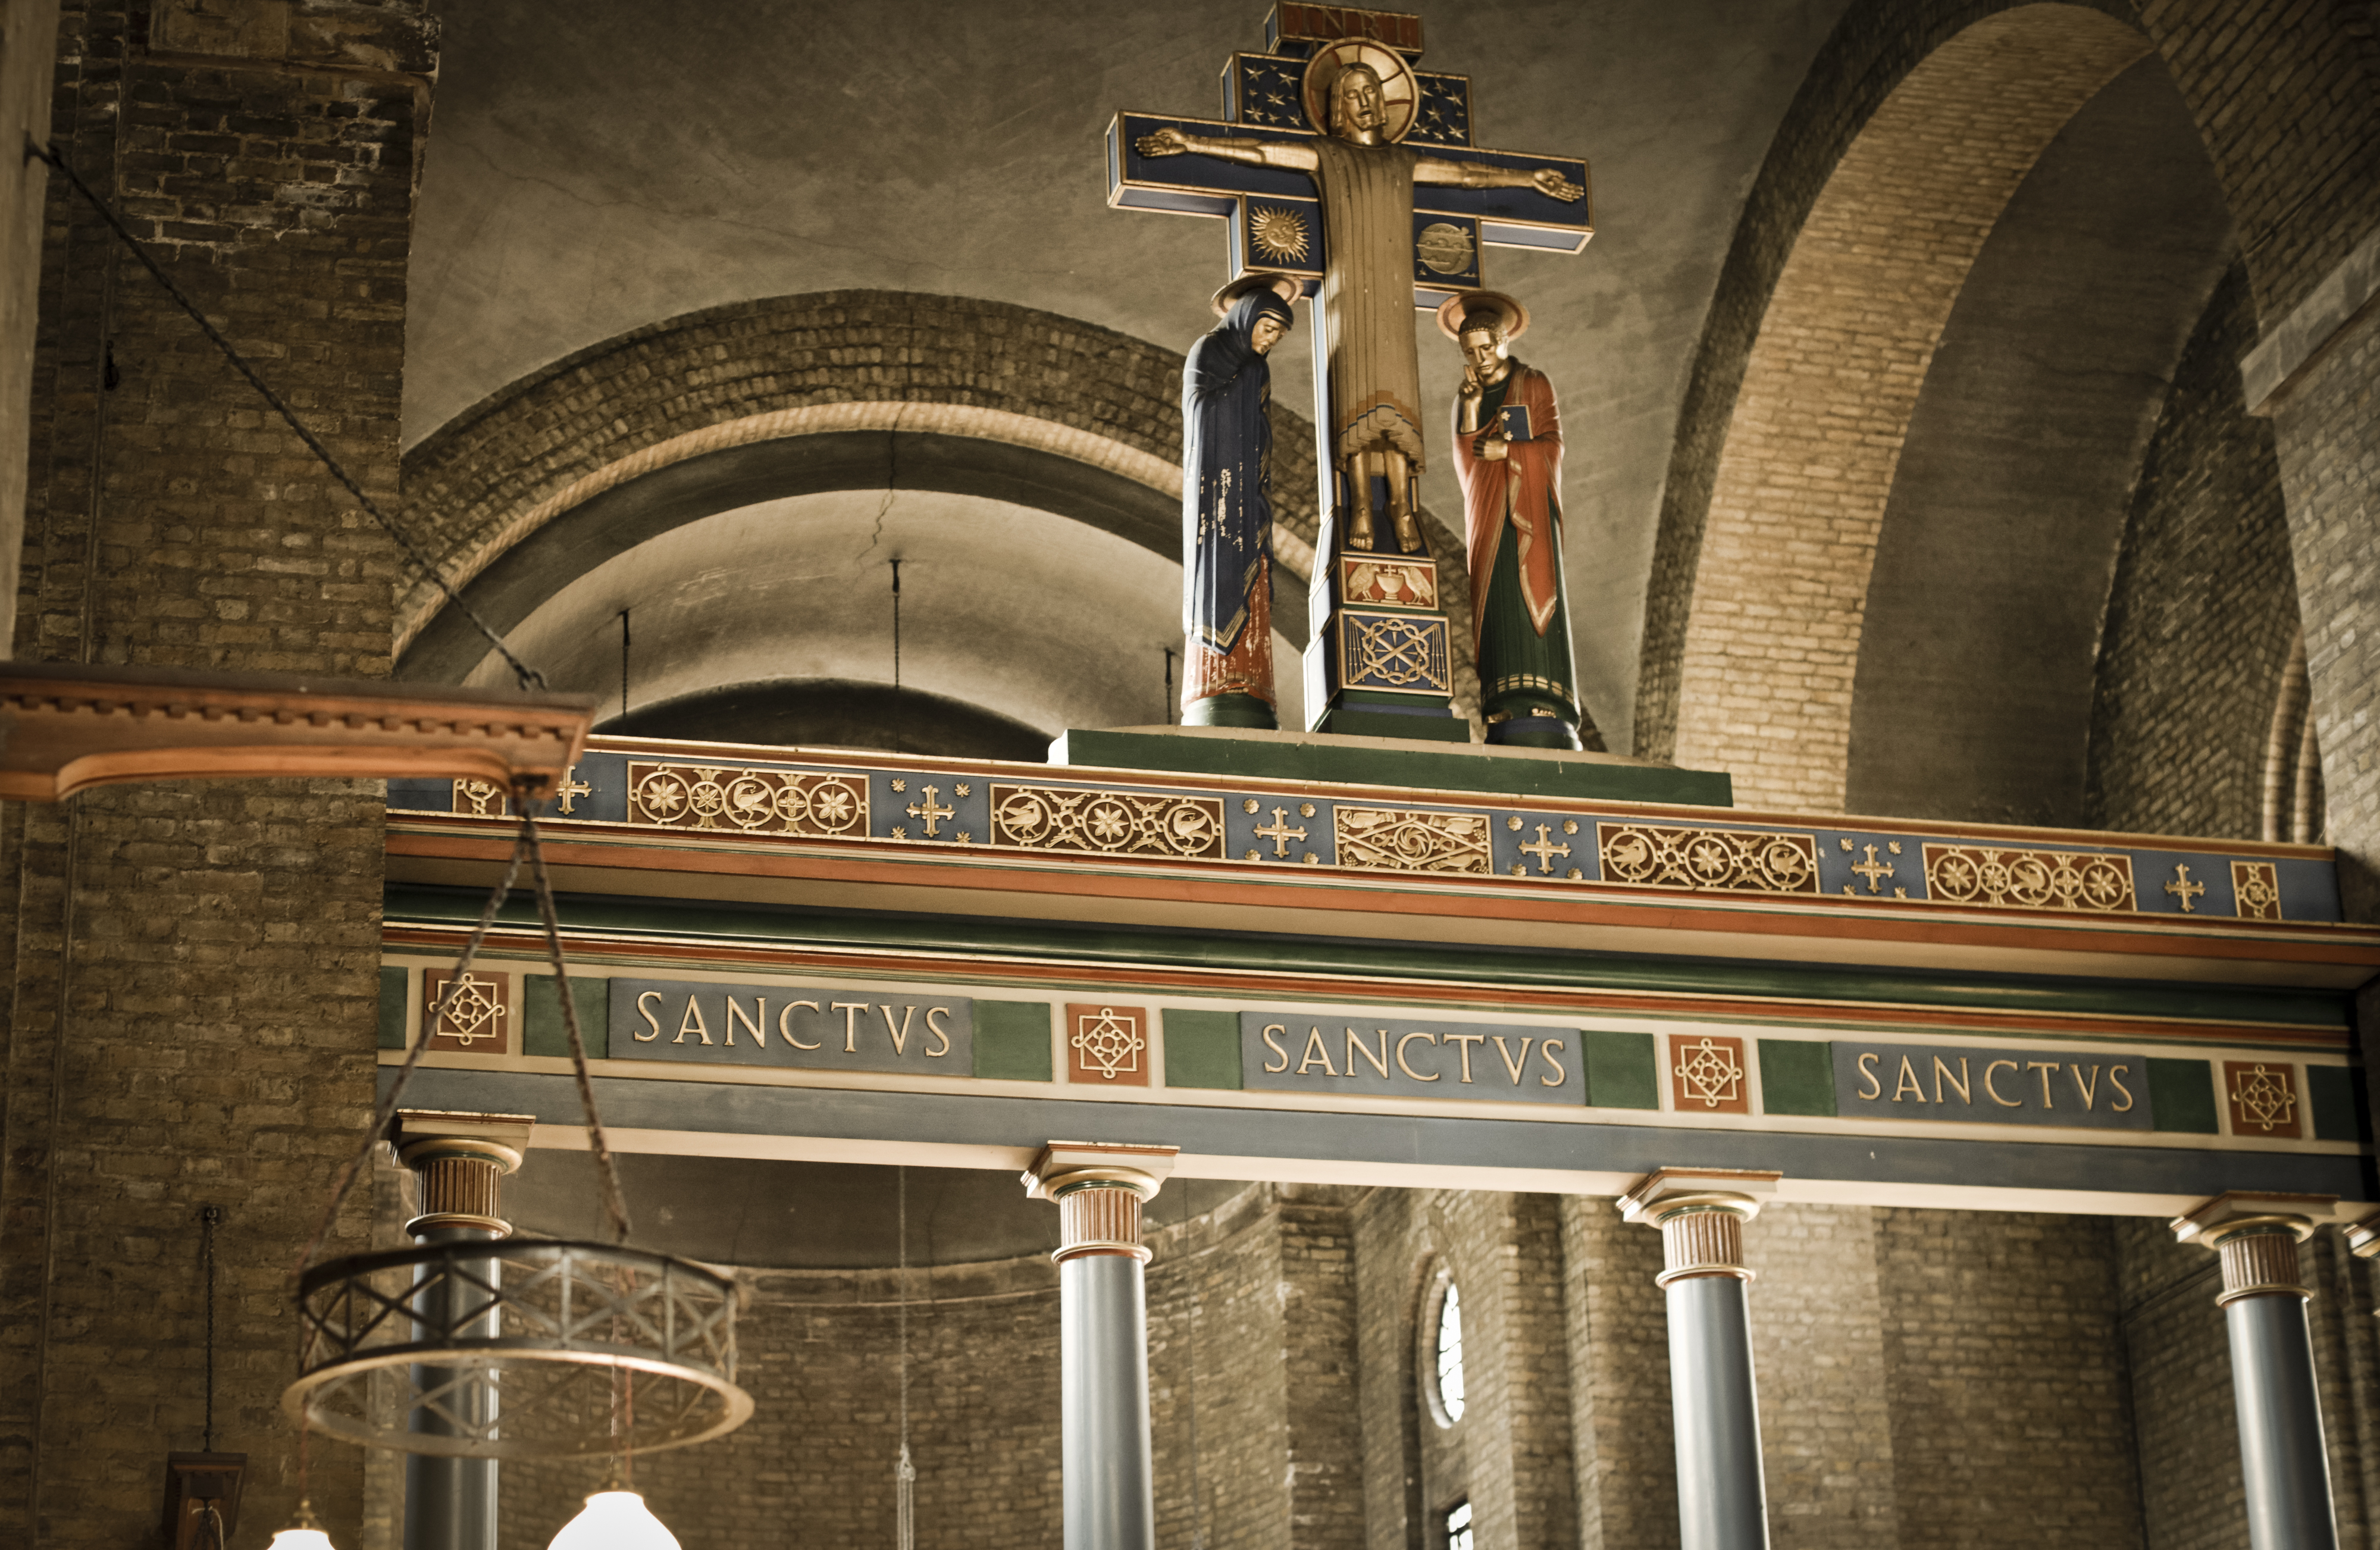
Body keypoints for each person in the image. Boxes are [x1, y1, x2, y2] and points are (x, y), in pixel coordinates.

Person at [1138, 46, 1581, 560]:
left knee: (1398, 406)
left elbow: (1465, 176)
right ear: (1337, 107)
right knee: (1359, 403)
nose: (1366, 101)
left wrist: (1529, 179)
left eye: (1372, 91)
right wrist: (1191, 141)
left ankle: (1401, 507)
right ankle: (1364, 510)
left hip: (1391, 300)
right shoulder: (1329, 157)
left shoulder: (1403, 159)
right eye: (1353, 94)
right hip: (1349, 303)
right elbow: (1262, 153)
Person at [1442, 291, 1584, 749]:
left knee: (1532, 599)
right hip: (1488, 510)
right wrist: (1468, 407)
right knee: (1496, 596)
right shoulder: (1470, 392)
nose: (1479, 359)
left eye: (1486, 348)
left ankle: (1548, 700)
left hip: (1530, 513)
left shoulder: (1534, 382)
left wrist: (1512, 452)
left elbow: (1554, 446)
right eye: (1470, 352)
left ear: (1503, 342)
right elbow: (1466, 459)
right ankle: (1500, 702)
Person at [1180, 274, 1297, 727]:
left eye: (1278, 335)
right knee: (1219, 569)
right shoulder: (1209, 351)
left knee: (1255, 569)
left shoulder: (1255, 367)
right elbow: (1202, 412)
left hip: (1246, 490)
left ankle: (1251, 683)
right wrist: (1242, 388)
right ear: (1246, 319)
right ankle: (1217, 680)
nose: (1270, 341)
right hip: (1215, 493)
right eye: (1267, 329)